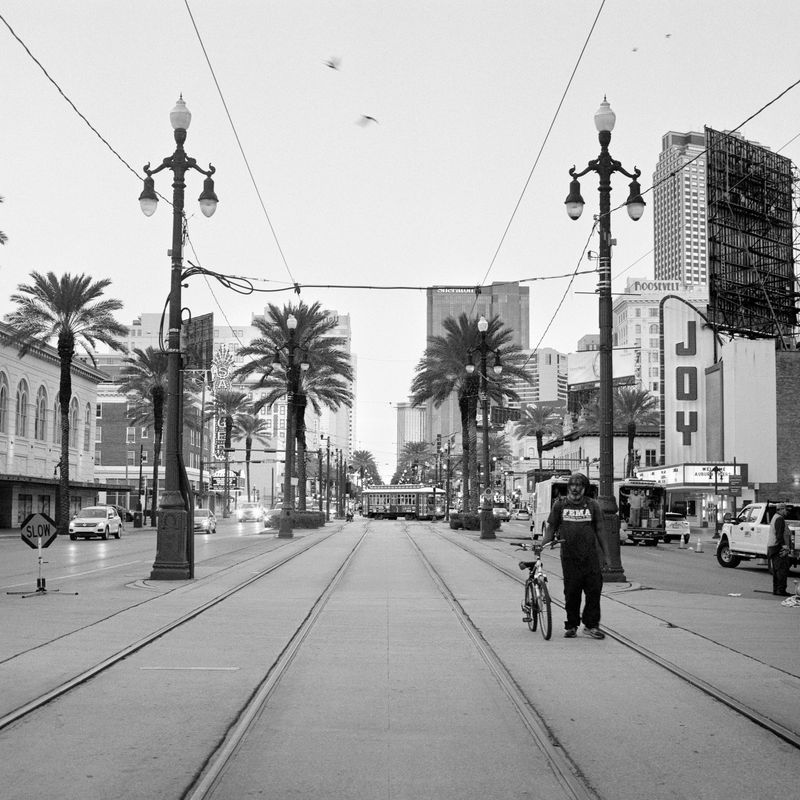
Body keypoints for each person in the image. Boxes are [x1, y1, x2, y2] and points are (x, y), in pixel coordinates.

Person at [542, 471, 609, 639]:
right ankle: (571, 625)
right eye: (572, 485)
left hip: (590, 557)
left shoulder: (593, 505)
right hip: (569, 557)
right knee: (572, 592)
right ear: (568, 488)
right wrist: (541, 545)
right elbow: (551, 528)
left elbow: (600, 530)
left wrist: (607, 556)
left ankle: (591, 625)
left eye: (579, 485)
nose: (575, 488)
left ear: (584, 488)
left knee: (593, 591)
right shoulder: (560, 505)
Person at [768, 502, 792, 597]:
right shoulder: (780, 519)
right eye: (785, 510)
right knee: (782, 569)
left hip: (773, 547)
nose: (786, 511)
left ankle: (776, 589)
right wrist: (784, 546)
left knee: (777, 570)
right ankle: (780, 590)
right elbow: (779, 535)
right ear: (781, 509)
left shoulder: (775, 517)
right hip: (778, 548)